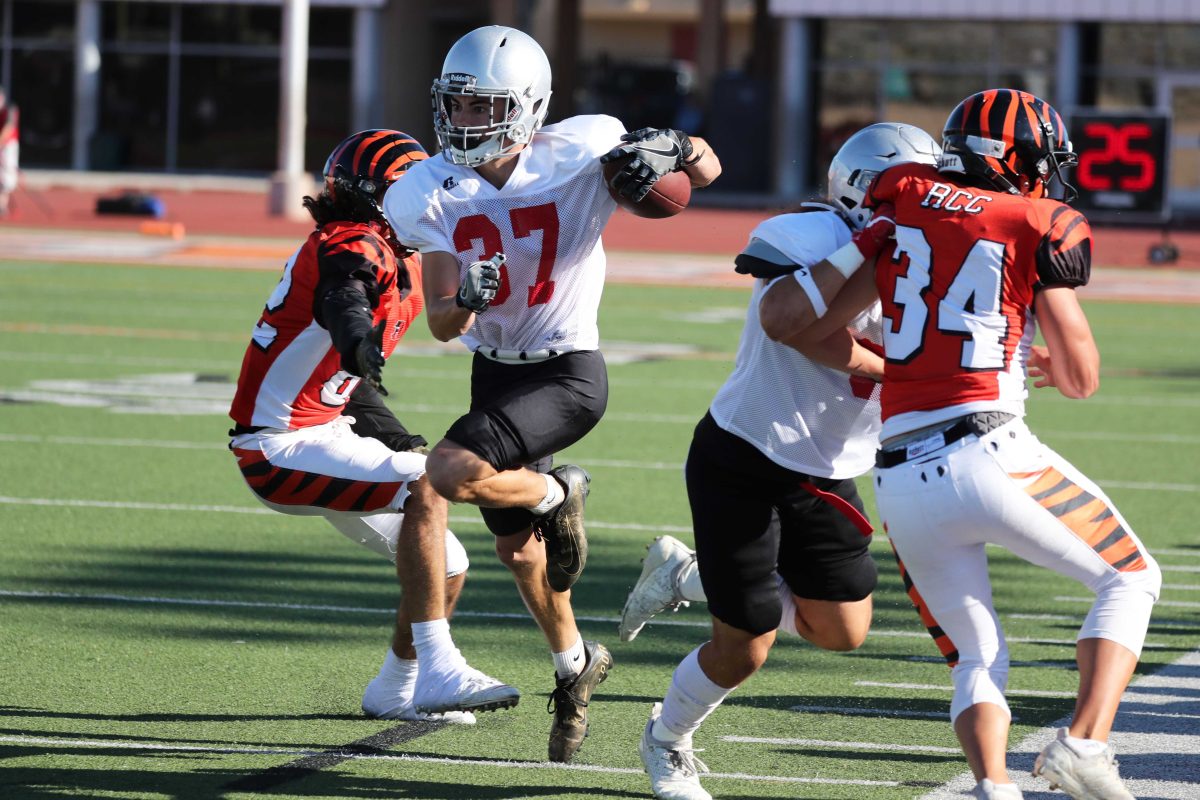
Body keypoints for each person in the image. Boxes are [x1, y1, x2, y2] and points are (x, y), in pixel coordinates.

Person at [383, 25, 721, 763]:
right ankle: (575, 664)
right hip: (497, 370)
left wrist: (673, 147)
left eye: (485, 108)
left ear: (529, 107)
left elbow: (706, 166)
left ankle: (552, 493)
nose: (467, 123)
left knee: (445, 474)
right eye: (459, 106)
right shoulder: (425, 189)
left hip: (569, 370)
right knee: (518, 555)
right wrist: (466, 297)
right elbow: (442, 322)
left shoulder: (584, 146)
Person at [816, 89, 1161, 800]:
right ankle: (1084, 746)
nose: (1046, 174)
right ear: (1008, 159)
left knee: (977, 655)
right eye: (1038, 159)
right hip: (986, 451)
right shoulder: (1033, 219)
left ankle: (993, 788)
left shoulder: (903, 200)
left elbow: (835, 323)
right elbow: (1083, 375)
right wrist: (1040, 361)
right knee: (1130, 576)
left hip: (900, 477)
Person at [628, 123, 941, 800]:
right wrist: (900, 372)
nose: (929, 207)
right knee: (747, 644)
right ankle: (667, 739)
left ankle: (694, 575)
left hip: (826, 469)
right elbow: (788, 323)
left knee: (844, 630)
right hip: (743, 454)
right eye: (912, 193)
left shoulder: (935, 258)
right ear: (865, 193)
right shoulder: (811, 235)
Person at [228, 129, 520, 724]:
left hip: (325, 432)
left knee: (448, 561)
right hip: (277, 445)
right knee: (428, 486)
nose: (430, 199)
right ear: (382, 197)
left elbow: (347, 382)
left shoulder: (394, 251)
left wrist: (398, 438)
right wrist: (356, 334)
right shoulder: (352, 241)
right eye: (413, 189)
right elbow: (344, 294)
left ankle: (396, 687)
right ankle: (442, 667)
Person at [0, 87, 19, 216]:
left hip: (8, 146)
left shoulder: (10, 109)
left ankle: (2, 205)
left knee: (6, 176)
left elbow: (9, 127)